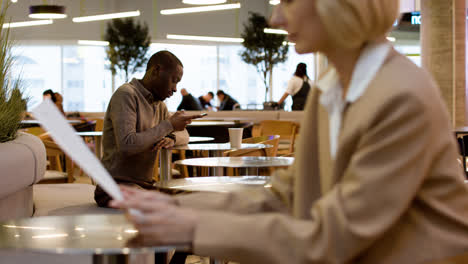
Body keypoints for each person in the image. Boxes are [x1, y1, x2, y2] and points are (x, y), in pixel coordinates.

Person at [111, 1, 468, 263]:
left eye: (290, 1)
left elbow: (335, 238)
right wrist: (177, 209)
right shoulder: (330, 88)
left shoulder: (401, 96)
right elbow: (286, 196)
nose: (277, 17)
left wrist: (193, 229)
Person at [94, 50, 202, 207]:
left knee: (191, 201)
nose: (175, 89)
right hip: (115, 187)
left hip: (145, 186)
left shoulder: (160, 105)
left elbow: (184, 135)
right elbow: (127, 145)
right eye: (174, 80)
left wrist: (171, 138)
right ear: (157, 71)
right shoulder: (126, 94)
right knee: (175, 207)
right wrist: (169, 125)